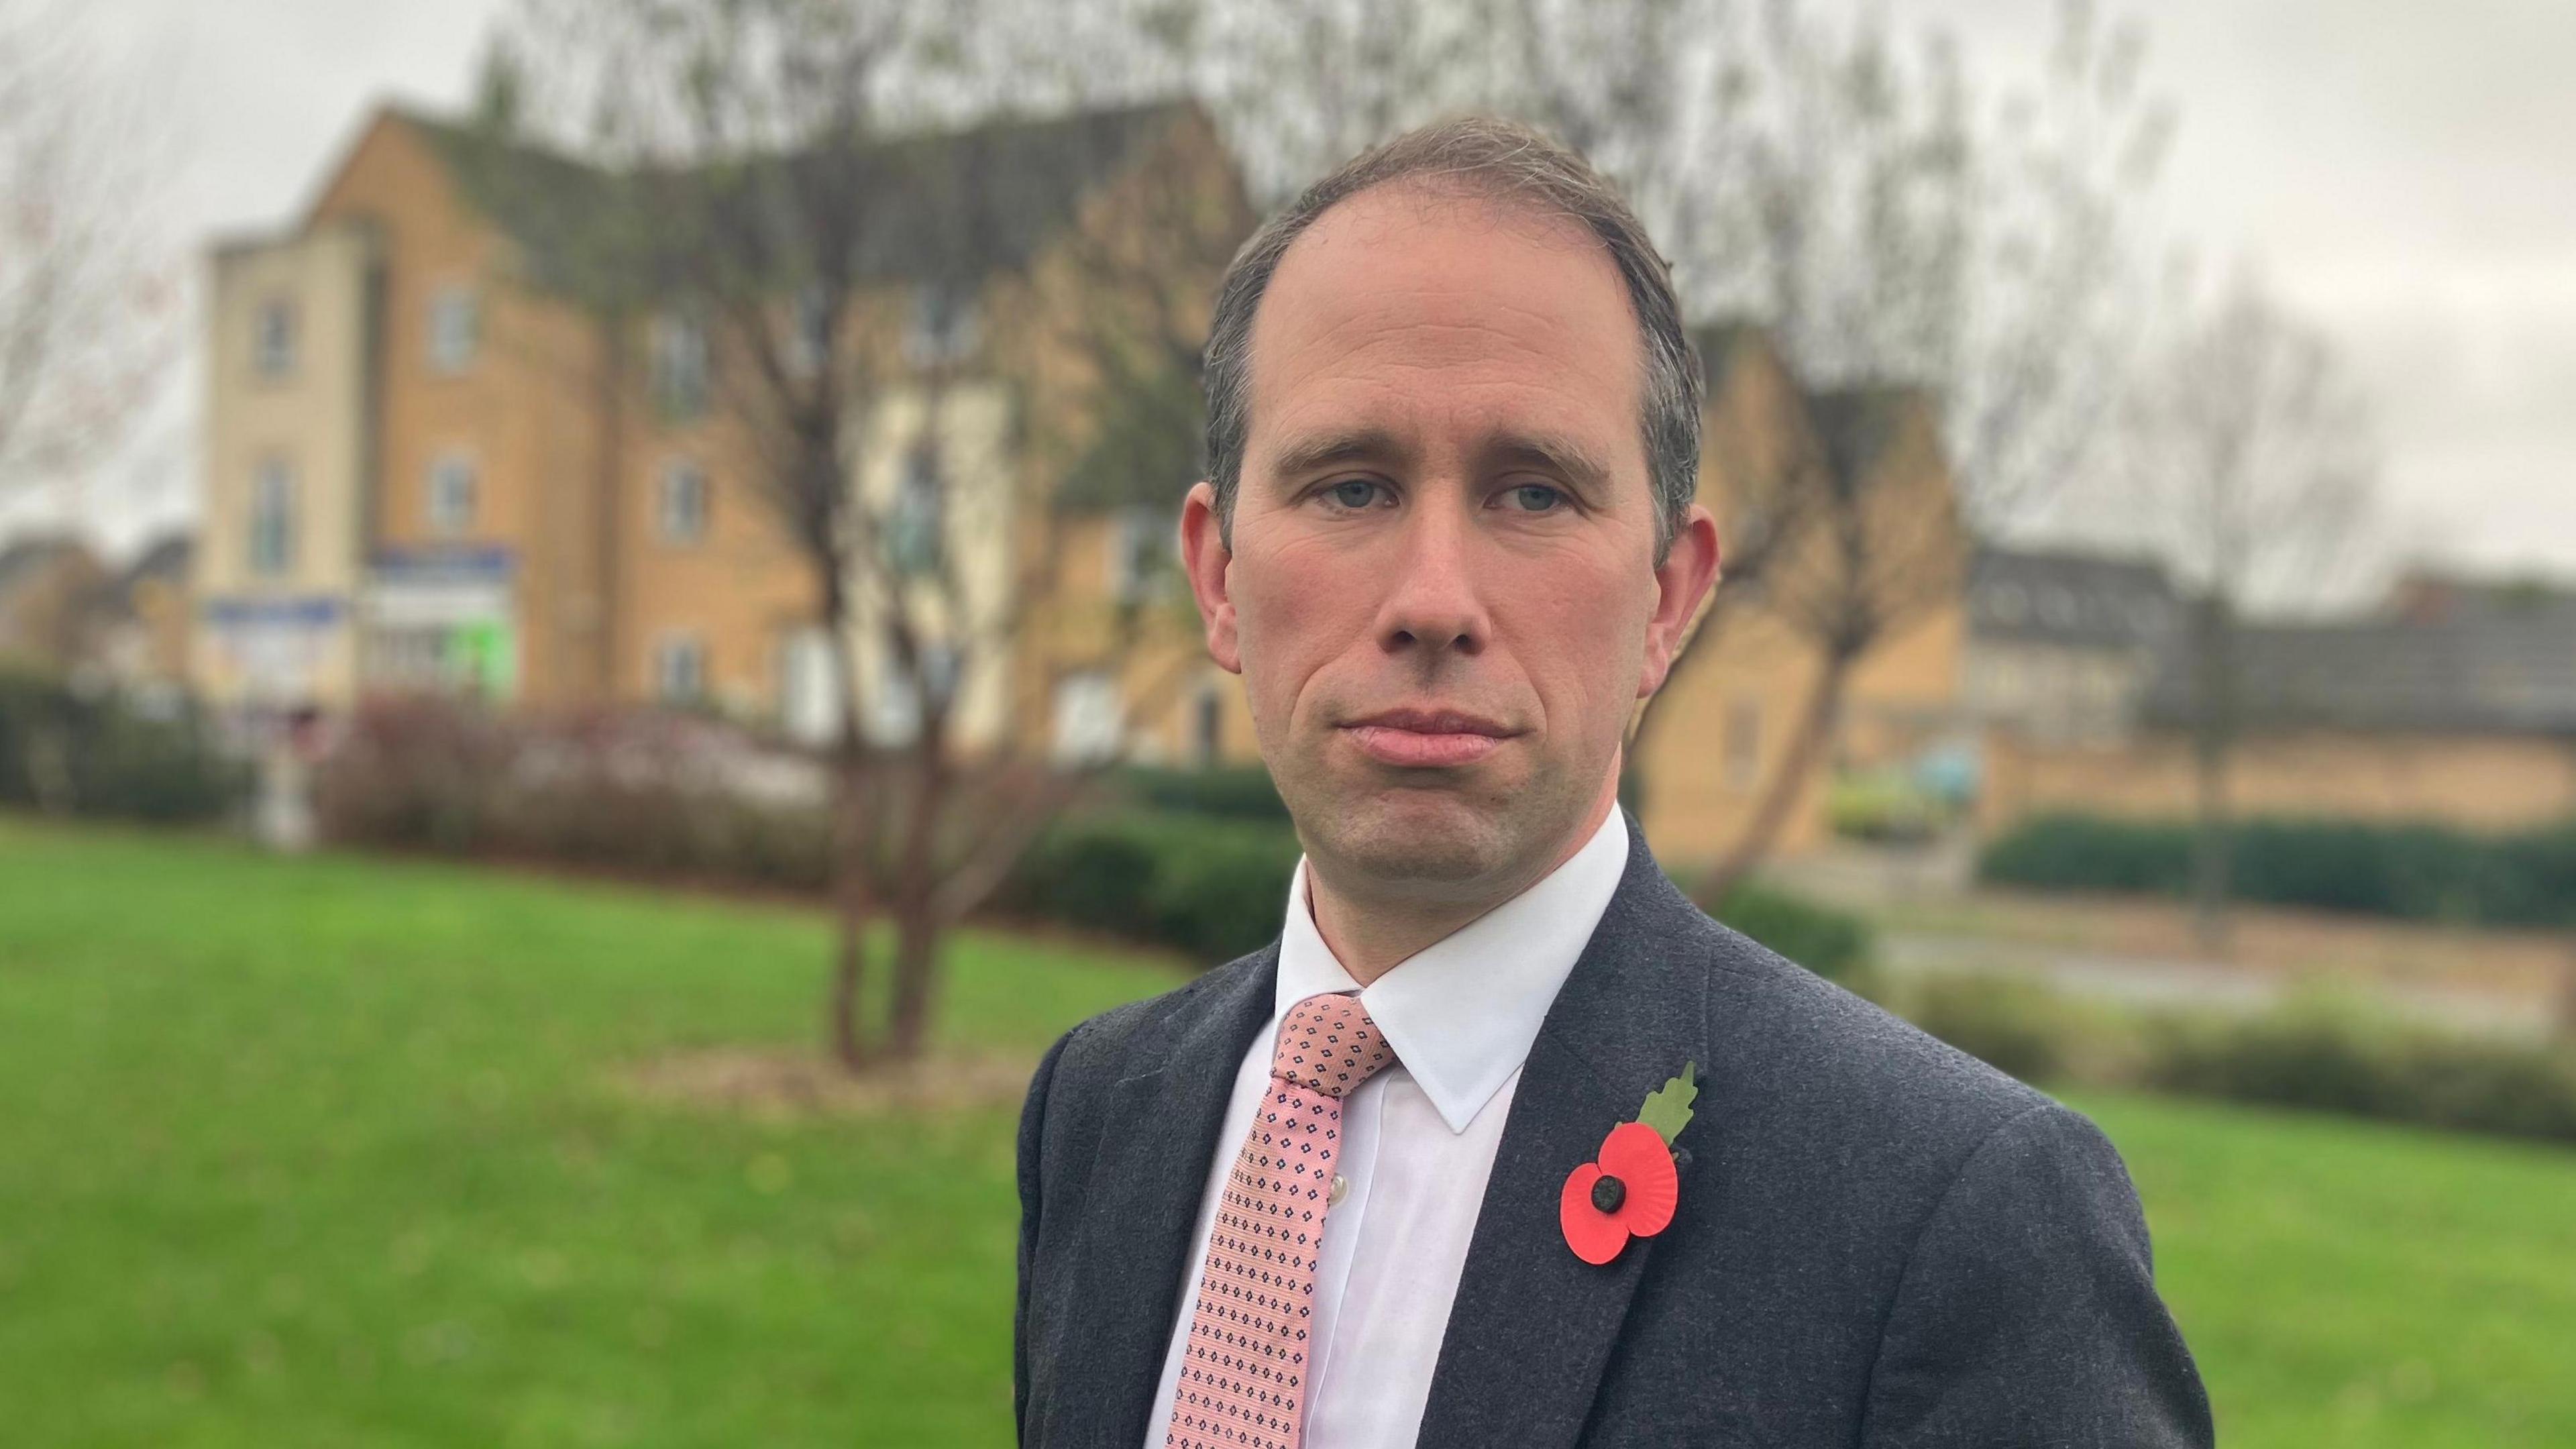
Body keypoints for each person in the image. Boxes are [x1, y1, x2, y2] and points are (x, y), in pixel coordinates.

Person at [1014, 116, 2212, 1449]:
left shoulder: (1965, 1223)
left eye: (1532, 496)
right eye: (1349, 488)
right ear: (1219, 577)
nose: (1432, 601)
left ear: (1668, 599)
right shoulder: (1103, 1110)